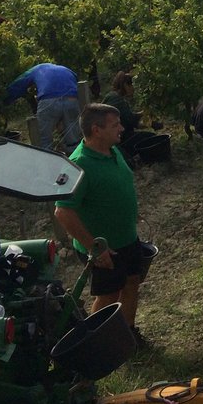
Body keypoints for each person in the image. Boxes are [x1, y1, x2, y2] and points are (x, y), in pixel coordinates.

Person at [53, 103, 148, 345]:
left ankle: (128, 336)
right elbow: (63, 211)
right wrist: (95, 247)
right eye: (115, 125)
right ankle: (97, 344)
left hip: (127, 238)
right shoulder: (78, 165)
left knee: (131, 283)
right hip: (103, 247)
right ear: (96, 129)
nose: (122, 128)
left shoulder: (111, 149)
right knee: (108, 295)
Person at [3, 62, 81, 151]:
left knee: (44, 139)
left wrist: (5, 100)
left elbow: (19, 84)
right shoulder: (66, 69)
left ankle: (48, 160)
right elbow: (76, 80)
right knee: (73, 136)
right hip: (72, 99)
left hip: (48, 100)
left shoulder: (37, 69)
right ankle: (74, 161)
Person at [102, 72, 164, 163]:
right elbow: (132, 121)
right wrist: (151, 124)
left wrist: (143, 114)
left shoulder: (112, 96)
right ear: (126, 85)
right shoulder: (118, 100)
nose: (134, 89)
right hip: (118, 139)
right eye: (132, 86)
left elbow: (128, 117)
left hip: (112, 136)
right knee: (151, 138)